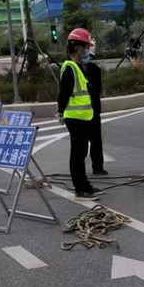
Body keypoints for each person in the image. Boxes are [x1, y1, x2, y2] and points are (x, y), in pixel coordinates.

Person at [57, 28, 101, 200]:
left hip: (83, 118)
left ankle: (85, 185)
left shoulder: (78, 67)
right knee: (77, 153)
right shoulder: (70, 68)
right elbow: (64, 94)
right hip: (74, 119)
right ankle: (80, 189)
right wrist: (60, 112)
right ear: (78, 48)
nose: (87, 51)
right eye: (85, 47)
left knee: (81, 152)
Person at [82, 42, 108, 176]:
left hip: (93, 109)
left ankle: (98, 166)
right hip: (79, 113)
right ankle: (79, 170)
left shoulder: (95, 69)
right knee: (81, 143)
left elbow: (98, 90)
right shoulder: (72, 68)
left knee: (96, 140)